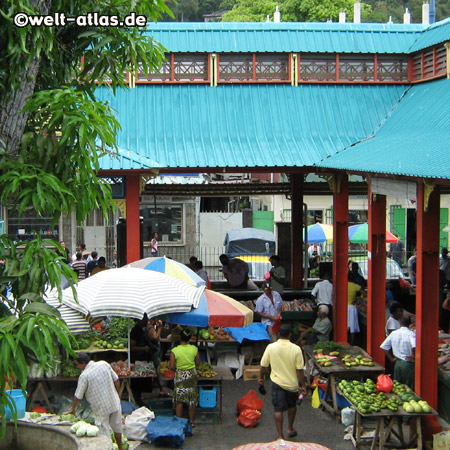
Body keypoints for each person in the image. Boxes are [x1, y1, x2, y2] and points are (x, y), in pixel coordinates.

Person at [258, 324, 307, 442]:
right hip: (292, 384)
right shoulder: (296, 349)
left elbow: (263, 366)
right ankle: (290, 428)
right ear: (290, 335)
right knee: (292, 406)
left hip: (277, 383)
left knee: (278, 410)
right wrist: (303, 385)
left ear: (279, 334)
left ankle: (280, 436)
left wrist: (261, 378)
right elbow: (299, 370)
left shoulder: (271, 347)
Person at [64, 353, 123, 450]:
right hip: (114, 403)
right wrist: (117, 396)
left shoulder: (84, 376)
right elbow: (116, 380)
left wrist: (73, 409)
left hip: (101, 409)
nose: (77, 367)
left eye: (77, 364)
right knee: (118, 430)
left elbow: (78, 395)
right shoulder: (104, 364)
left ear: (83, 363)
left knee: (104, 437)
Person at [170, 329, 200, 427]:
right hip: (191, 374)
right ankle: (191, 421)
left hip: (180, 375)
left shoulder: (175, 351)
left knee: (179, 397)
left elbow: (172, 366)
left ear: (180, 338)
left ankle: (179, 421)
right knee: (191, 398)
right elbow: (198, 364)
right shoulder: (194, 349)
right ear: (189, 338)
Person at [380, 315, 416, 389]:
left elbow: (384, 346)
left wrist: (391, 359)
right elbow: (414, 345)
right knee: (408, 389)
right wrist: (413, 355)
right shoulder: (411, 334)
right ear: (410, 324)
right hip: (408, 364)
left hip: (397, 363)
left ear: (400, 323)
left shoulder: (394, 333)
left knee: (397, 387)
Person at [347, 272, 364, 345]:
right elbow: (365, 294)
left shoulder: (342, 285)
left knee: (345, 326)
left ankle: (345, 340)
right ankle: (352, 343)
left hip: (344, 307)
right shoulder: (356, 286)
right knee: (352, 327)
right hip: (352, 307)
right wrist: (358, 298)